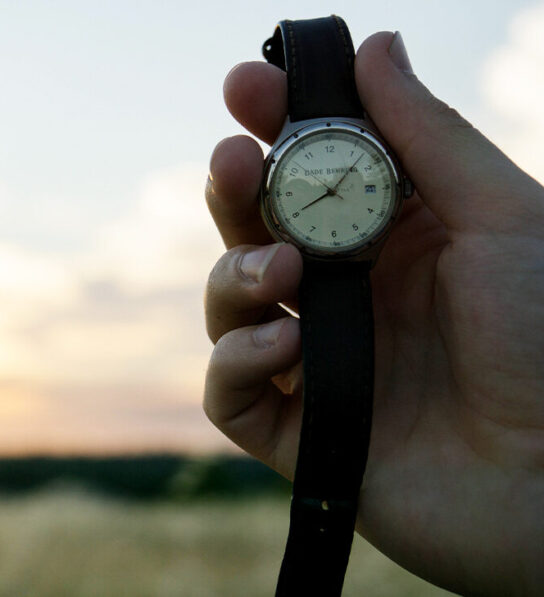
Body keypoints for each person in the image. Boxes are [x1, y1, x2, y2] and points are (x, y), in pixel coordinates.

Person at [203, 31, 543, 595]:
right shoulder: (344, 180)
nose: (331, 188)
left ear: (394, 181)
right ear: (275, 198)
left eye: (345, 182)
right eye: (316, 186)